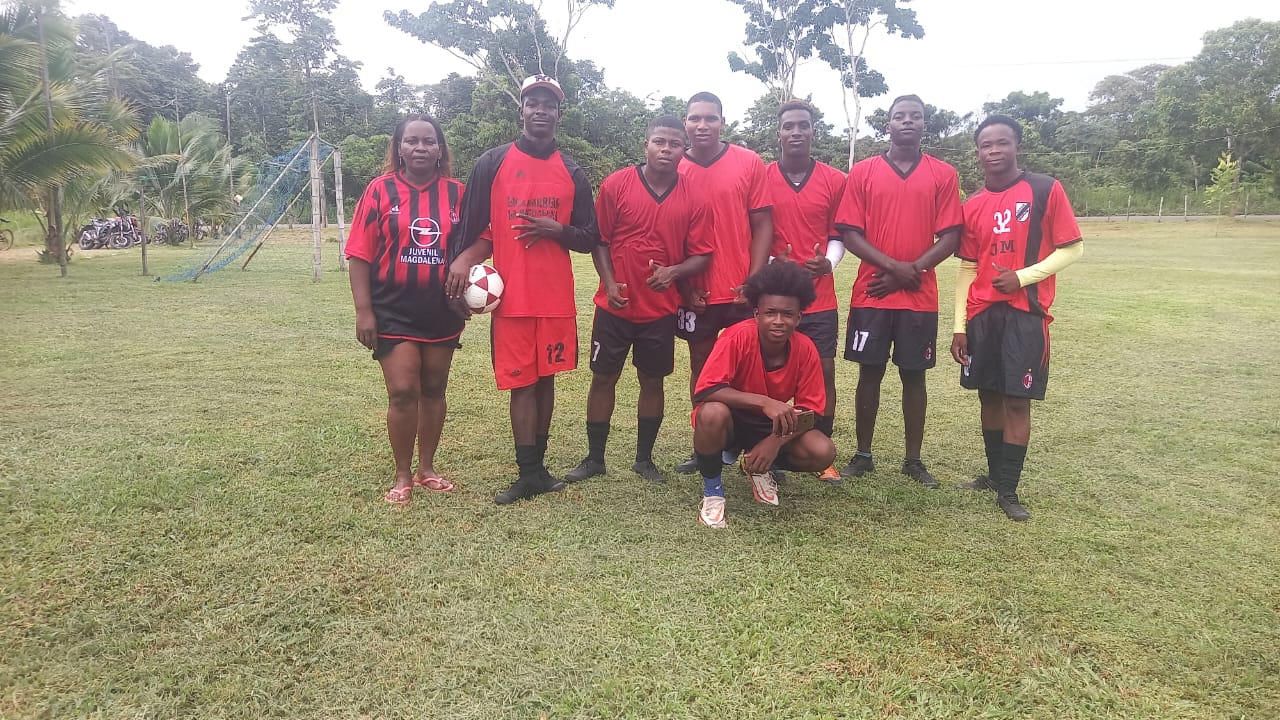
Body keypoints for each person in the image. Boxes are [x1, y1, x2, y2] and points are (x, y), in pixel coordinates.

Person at [444, 75, 600, 505]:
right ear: (522, 111)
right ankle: (526, 472)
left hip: (554, 299)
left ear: (558, 114)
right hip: (510, 299)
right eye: (533, 103)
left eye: (549, 104)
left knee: (546, 379)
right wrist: (459, 265)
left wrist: (558, 230)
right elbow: (472, 225)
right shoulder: (492, 163)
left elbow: (590, 237)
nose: (541, 110)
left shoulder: (572, 171)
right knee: (521, 384)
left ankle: (540, 469)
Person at [564, 116, 713, 484]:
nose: (666, 149)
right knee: (603, 378)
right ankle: (594, 458)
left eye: (674, 144)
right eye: (659, 141)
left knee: (653, 381)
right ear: (646, 145)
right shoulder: (617, 184)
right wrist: (609, 282)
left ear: (684, 150)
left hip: (660, 310)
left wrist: (673, 273)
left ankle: (644, 460)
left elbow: (702, 254)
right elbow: (600, 239)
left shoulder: (694, 195)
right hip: (614, 306)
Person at [951, 114, 1084, 521]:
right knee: (988, 394)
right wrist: (958, 326)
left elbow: (1072, 248)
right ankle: (994, 476)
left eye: (1002, 142)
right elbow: (968, 267)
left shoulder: (1045, 189)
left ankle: (1009, 490)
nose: (994, 150)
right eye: (986, 145)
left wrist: (1023, 277)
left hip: (1026, 315)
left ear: (1017, 147)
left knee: (1017, 399)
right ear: (978, 152)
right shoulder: (972, 204)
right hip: (982, 315)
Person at [835, 94, 963, 488]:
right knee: (869, 372)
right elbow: (849, 233)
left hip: (918, 296)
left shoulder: (943, 174)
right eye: (899, 116)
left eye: (915, 116)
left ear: (925, 123)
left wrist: (913, 270)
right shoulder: (864, 172)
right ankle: (863, 455)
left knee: (914, 375)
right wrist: (895, 269)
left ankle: (913, 460)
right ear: (887, 123)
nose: (907, 121)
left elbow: (951, 236)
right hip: (873, 291)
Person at [346, 114, 464, 505]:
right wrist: (364, 311)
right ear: (398, 148)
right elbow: (359, 253)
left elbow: (478, 241)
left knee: (434, 388)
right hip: (392, 308)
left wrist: (468, 282)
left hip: (441, 308)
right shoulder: (380, 190)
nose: (420, 148)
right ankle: (401, 474)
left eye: (429, 141)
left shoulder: (457, 194)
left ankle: (426, 468)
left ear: (440, 149)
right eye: (411, 141)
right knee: (401, 392)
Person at [691, 261, 836, 528]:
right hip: (732, 419)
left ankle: (758, 467)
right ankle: (713, 493)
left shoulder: (806, 348)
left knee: (822, 450)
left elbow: (810, 411)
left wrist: (774, 442)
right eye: (770, 313)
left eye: (787, 314)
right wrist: (764, 402)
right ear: (757, 314)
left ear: (799, 318)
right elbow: (706, 390)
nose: (778, 321)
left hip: (771, 425)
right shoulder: (736, 337)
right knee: (711, 413)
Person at [673, 91, 773, 474]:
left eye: (710, 118)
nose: (702, 125)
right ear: (685, 123)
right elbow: (669, 233)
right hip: (696, 292)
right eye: (695, 118)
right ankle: (705, 447)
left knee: (750, 368)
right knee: (701, 367)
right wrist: (684, 286)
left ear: (722, 122)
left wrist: (754, 281)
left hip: (740, 291)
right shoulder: (673, 166)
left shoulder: (748, 162)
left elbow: (763, 225)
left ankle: (754, 446)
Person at [766, 99, 848, 484]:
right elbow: (754, 230)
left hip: (819, 297)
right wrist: (773, 262)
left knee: (822, 370)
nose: (796, 132)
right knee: (769, 372)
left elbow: (838, 233)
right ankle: (767, 447)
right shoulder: (762, 176)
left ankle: (821, 446)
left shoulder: (834, 179)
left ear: (814, 131)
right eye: (789, 126)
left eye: (803, 125)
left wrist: (828, 263)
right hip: (775, 296)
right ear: (779, 133)